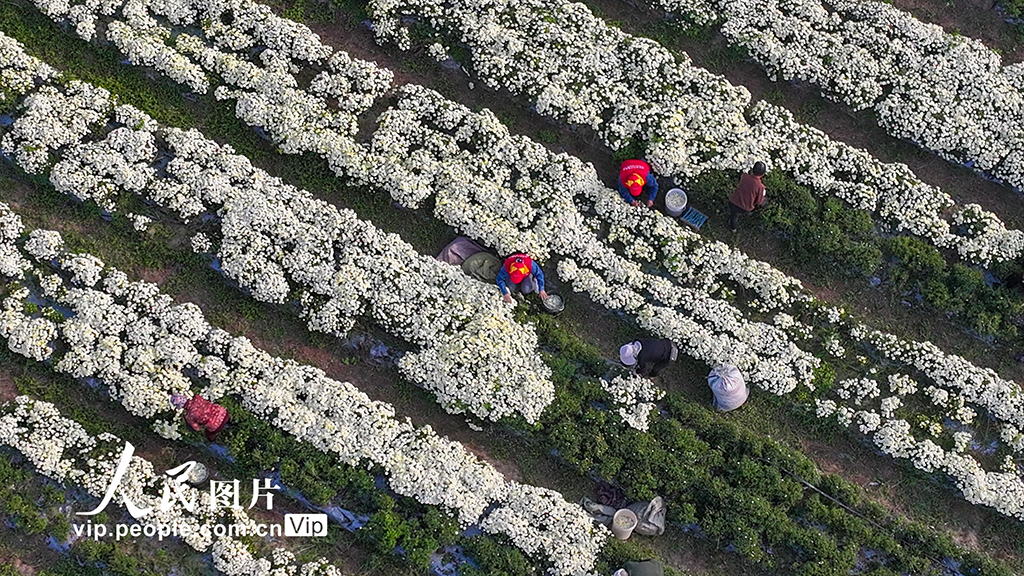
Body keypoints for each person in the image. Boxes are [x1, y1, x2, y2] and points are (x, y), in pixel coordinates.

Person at [727, 161, 767, 232]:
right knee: (736, 216)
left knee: (734, 215)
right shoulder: (760, 187)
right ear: (763, 174)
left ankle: (733, 227)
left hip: (733, 201)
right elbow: (758, 201)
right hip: (744, 208)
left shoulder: (744, 176)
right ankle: (734, 228)